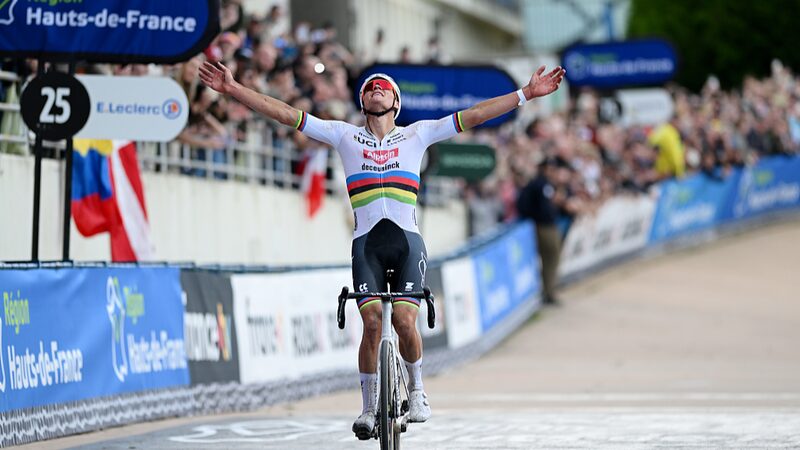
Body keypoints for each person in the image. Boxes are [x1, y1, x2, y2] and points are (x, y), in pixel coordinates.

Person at [198, 60, 565, 439]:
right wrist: (234, 89)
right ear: (362, 101)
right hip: (367, 244)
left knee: (405, 322)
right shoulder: (344, 135)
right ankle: (368, 409)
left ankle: (419, 391)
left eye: (383, 87)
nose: (375, 88)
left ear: (396, 102)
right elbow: (288, 115)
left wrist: (526, 94)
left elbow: (473, 115)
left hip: (406, 241)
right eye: (369, 86)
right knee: (372, 323)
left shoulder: (417, 135)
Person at [516, 157, 565, 305]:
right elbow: (542, 208)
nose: (553, 172)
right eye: (551, 169)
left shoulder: (541, 184)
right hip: (544, 227)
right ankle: (548, 292)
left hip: (543, 225)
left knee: (550, 259)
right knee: (551, 259)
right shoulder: (541, 184)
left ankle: (548, 290)